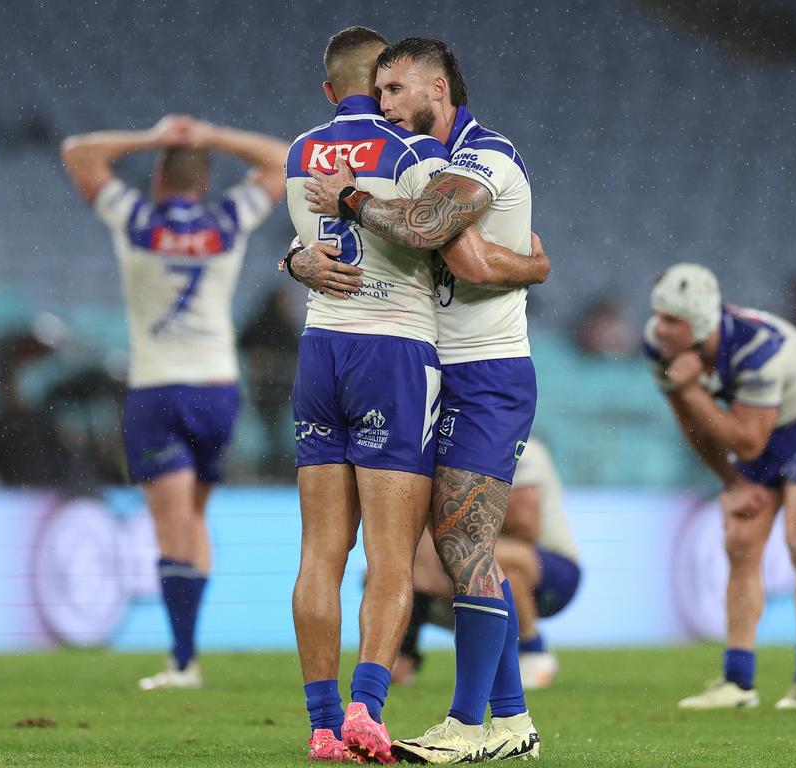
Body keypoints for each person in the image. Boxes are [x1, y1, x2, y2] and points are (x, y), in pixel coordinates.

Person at [284, 27, 544, 765]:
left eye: (396, 90)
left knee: (462, 543)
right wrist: (296, 256)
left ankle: (469, 725)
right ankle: (511, 718)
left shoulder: (482, 155)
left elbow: (433, 229)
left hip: (485, 370)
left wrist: (353, 199)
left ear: (438, 90)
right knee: (452, 548)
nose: (384, 103)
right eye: (378, 88)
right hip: (421, 362)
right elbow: (452, 250)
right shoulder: (417, 156)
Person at [61, 114, 287, 690]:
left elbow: (79, 151)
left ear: (160, 180)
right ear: (203, 183)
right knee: (196, 517)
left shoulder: (136, 219)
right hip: (217, 388)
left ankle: (183, 660)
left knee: (172, 523)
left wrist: (151, 138)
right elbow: (284, 160)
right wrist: (213, 136)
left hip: (158, 388)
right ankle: (188, 651)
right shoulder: (228, 222)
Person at [643, 263, 796, 711]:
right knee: (739, 541)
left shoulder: (758, 348)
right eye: (658, 315)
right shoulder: (660, 345)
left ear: (698, 325)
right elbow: (691, 425)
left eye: (672, 320)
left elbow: (750, 439)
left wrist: (693, 390)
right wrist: (732, 482)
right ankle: (738, 682)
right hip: (755, 421)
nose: (660, 327)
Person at [396, 437, 581, 691]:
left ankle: (533, 650)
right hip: (479, 561)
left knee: (485, 558)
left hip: (553, 570)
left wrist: (461, 514)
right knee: (395, 578)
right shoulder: (451, 448)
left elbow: (527, 526)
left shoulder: (521, 448)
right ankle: (405, 659)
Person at [239, 285, 299, 480]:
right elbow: (245, 345)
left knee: (278, 433)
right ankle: (270, 470)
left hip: (281, 388)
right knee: (267, 433)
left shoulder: (285, 325)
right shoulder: (262, 324)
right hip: (265, 389)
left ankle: (275, 470)